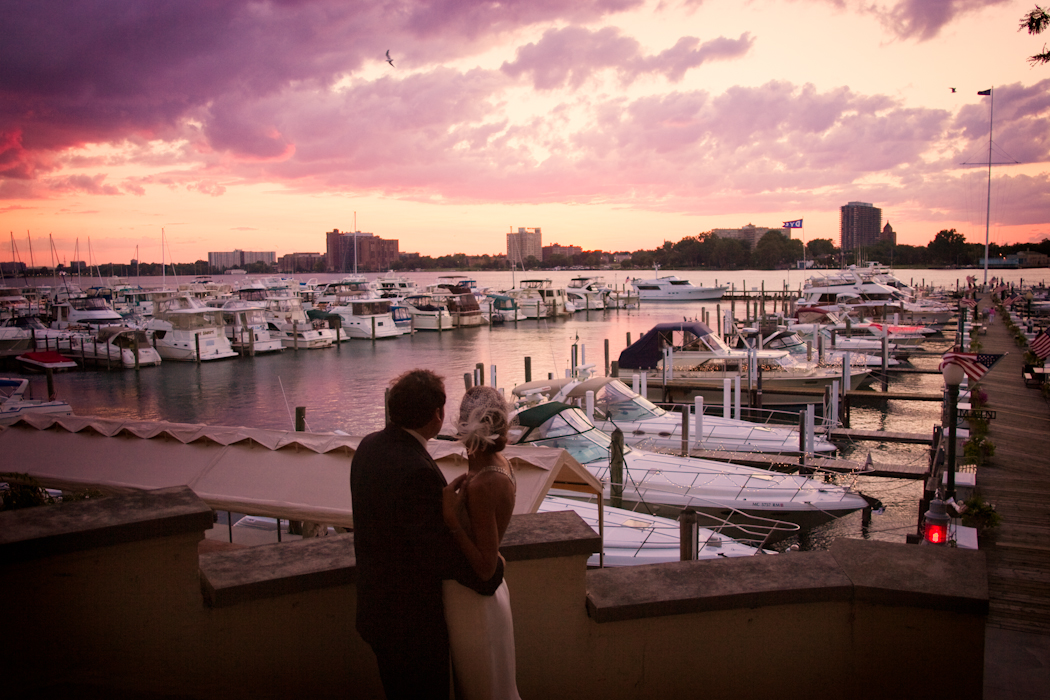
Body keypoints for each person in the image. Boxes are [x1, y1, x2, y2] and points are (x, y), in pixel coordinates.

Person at [351, 370, 503, 700]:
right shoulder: (416, 471)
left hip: (376, 610)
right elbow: (437, 554)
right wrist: (492, 573)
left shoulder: (368, 446)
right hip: (411, 626)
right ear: (437, 415)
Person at [442, 386, 522, 700]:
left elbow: (487, 567)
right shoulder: (494, 462)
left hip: (475, 602)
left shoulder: (484, 482)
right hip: (485, 599)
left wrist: (451, 521)